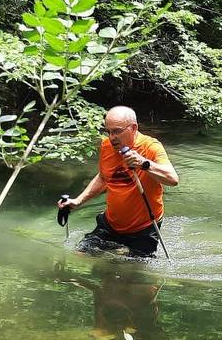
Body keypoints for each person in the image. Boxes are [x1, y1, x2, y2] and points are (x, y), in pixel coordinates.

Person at [57, 106, 179, 256]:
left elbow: (172, 179)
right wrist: (78, 201)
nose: (111, 137)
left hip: (144, 227)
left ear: (133, 128)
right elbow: (103, 177)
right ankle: (118, 249)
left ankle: (122, 251)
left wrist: (143, 163)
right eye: (108, 131)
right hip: (111, 224)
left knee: (132, 274)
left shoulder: (151, 147)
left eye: (116, 131)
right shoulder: (107, 146)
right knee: (80, 255)